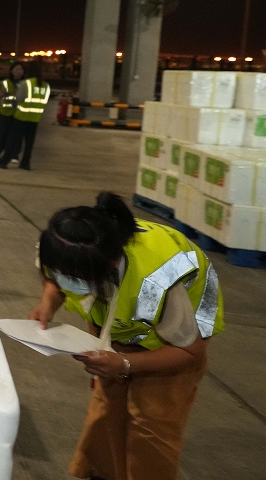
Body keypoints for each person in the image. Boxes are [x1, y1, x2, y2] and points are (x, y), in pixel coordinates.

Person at [29, 193, 224, 480]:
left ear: (110, 265)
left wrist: (125, 364)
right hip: (118, 318)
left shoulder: (158, 282)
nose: (65, 282)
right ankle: (104, 473)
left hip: (176, 338)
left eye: (75, 278)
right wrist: (48, 303)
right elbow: (54, 278)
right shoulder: (64, 248)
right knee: (109, 402)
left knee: (153, 418)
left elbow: (189, 353)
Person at [0, 61, 50, 170]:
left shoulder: (26, 83)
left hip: (21, 116)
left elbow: (19, 98)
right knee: (29, 143)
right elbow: (45, 100)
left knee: (13, 140)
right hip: (35, 118)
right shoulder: (45, 86)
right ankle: (25, 163)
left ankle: (4, 161)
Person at [0, 62, 25, 160]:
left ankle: (14, 155)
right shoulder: (6, 82)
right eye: (16, 69)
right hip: (4, 111)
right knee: (0, 133)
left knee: (16, 135)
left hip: (18, 112)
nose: (19, 71)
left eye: (21, 69)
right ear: (11, 71)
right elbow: (0, 94)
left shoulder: (25, 84)